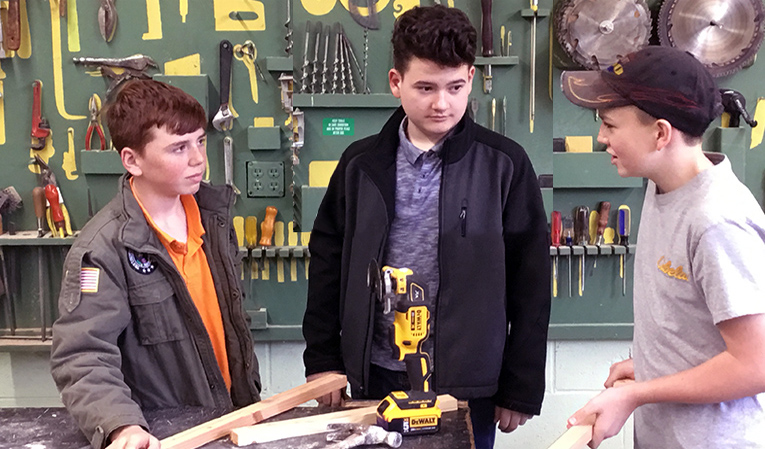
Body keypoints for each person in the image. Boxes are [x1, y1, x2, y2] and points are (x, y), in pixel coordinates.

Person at [302, 5, 550, 448]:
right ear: (396, 82)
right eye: (425, 87)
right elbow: (326, 263)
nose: (442, 103)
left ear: (471, 78)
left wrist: (522, 384)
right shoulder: (361, 165)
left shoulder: (505, 165)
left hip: (470, 385)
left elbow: (531, 284)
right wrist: (323, 361)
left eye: (456, 87)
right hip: (378, 375)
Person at [561, 46, 765, 448]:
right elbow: (703, 335)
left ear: (660, 133)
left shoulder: (717, 220)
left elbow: (756, 363)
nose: (601, 139)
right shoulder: (663, 187)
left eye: (609, 125)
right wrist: (652, 366)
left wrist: (639, 392)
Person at [50, 79, 261, 449]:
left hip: (233, 422)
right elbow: (83, 355)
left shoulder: (213, 220)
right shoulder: (102, 250)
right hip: (161, 437)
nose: (198, 158)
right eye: (179, 148)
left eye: (200, 141)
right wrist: (120, 426)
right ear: (132, 160)